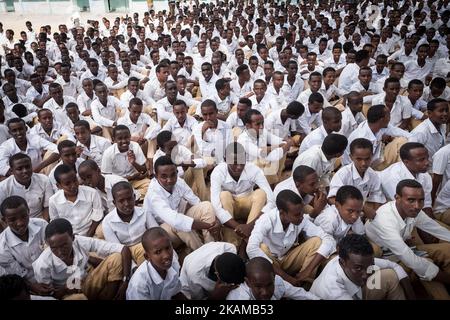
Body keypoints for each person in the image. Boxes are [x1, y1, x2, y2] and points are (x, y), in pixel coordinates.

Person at [365, 179, 450, 300]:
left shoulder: (413, 210)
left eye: (421, 201)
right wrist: (446, 279)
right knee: (427, 266)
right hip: (385, 258)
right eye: (411, 200)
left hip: (405, 249)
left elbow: (436, 229)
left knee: (447, 250)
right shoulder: (384, 219)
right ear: (397, 198)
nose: (417, 206)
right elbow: (409, 258)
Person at [247, 190, 336, 287]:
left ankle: (305, 283)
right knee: (262, 247)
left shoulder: (301, 219)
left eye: (302, 212)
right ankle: (278, 284)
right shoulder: (266, 220)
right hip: (270, 266)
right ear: (282, 213)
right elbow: (251, 248)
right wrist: (286, 277)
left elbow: (328, 239)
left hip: (287, 260)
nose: (302, 216)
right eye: (297, 214)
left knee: (317, 241)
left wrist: (308, 270)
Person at [32, 218, 132, 300]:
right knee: (79, 298)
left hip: (88, 281)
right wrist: (66, 288)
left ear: (73, 238)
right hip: (67, 295)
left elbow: (123, 249)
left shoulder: (80, 242)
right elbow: (49, 297)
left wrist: (125, 281)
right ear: (48, 243)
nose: (60, 251)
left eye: (64, 245)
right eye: (54, 248)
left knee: (116, 258)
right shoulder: (42, 265)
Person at [144, 156, 219, 253]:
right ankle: (202, 253)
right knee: (178, 224)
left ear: (177, 172)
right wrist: (207, 225)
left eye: (173, 174)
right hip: (162, 232)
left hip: (179, 218)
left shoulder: (178, 181)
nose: (169, 180)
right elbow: (174, 220)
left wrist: (214, 219)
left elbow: (195, 201)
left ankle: (212, 247)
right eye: (164, 176)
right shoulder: (153, 193)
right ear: (155, 176)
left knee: (206, 206)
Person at [310, 234, 414, 300]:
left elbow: (394, 265)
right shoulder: (333, 289)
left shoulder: (359, 261)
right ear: (342, 262)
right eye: (358, 268)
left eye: (370, 266)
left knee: (390, 275)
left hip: (358, 292)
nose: (366, 274)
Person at [210, 142, 273, 248]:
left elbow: (272, 200)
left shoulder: (253, 169)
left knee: (261, 194)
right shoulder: (218, 172)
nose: (239, 167)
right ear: (225, 160)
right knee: (224, 195)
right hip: (231, 207)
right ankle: (231, 243)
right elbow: (216, 206)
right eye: (234, 163)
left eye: (242, 162)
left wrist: (250, 226)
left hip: (249, 207)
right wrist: (238, 226)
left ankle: (247, 242)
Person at [0, 196, 52, 296]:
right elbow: (16, 274)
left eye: (24, 216)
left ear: (28, 211)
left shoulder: (42, 225)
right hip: (28, 286)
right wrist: (32, 286)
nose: (20, 223)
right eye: (12, 220)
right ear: (4, 220)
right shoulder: (2, 246)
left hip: (53, 274)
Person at [102, 181, 157, 265]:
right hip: (123, 253)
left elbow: (156, 233)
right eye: (121, 201)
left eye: (129, 199)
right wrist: (132, 267)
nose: (126, 204)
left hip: (144, 247)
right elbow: (117, 249)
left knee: (144, 250)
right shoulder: (108, 222)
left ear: (134, 197)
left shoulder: (144, 212)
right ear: (114, 203)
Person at [328, 138, 385, 219]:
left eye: (367, 159)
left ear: (372, 156)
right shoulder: (343, 174)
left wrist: (373, 217)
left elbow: (377, 198)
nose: (363, 163)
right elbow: (331, 199)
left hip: (359, 215)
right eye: (359, 159)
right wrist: (361, 208)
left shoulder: (373, 175)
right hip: (340, 214)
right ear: (351, 157)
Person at [126, 227, 184, 300]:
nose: (166, 255)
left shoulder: (173, 263)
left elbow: (176, 293)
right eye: (158, 252)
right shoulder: (139, 284)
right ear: (147, 257)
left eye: (168, 248)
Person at [226, 257, 319, 300]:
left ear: (274, 277)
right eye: (258, 286)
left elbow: (301, 294)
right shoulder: (239, 297)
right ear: (248, 282)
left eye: (269, 285)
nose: (265, 292)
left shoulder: (277, 282)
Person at [49, 164, 103, 237]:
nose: (73, 185)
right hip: (69, 236)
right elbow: (56, 223)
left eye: (75, 180)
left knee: (101, 232)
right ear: (59, 186)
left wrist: (88, 236)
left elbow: (98, 216)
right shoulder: (53, 201)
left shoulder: (92, 193)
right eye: (67, 184)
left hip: (91, 233)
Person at [180, 241, 245, 300]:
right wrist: (215, 296)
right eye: (231, 284)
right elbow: (198, 297)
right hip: (190, 282)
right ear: (217, 275)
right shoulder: (195, 274)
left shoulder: (229, 248)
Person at [101, 125, 150, 199]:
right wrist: (129, 178)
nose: (124, 141)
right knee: (111, 193)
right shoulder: (108, 153)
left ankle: (131, 196)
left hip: (135, 181)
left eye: (126, 137)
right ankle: (133, 197)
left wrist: (134, 163)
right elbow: (106, 178)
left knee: (150, 185)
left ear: (130, 137)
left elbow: (144, 170)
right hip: (117, 183)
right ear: (114, 139)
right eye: (120, 139)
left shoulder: (135, 146)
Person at [0, 153, 53, 220]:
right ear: (12, 171)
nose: (25, 171)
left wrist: (44, 224)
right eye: (19, 168)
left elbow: (47, 206)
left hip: (40, 221)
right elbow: (2, 217)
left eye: (28, 167)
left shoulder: (44, 180)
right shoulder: (3, 187)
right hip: (15, 225)